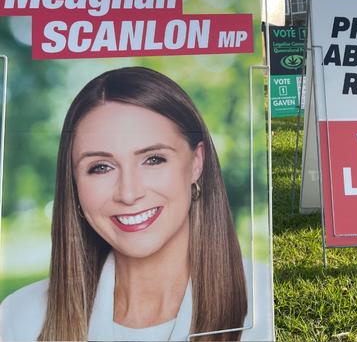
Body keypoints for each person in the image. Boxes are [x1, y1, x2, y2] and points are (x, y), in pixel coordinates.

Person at [0, 67, 248, 341]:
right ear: (74, 184)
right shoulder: (19, 319)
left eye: (153, 159)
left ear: (196, 163)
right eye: (101, 167)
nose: (129, 193)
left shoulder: (264, 303)